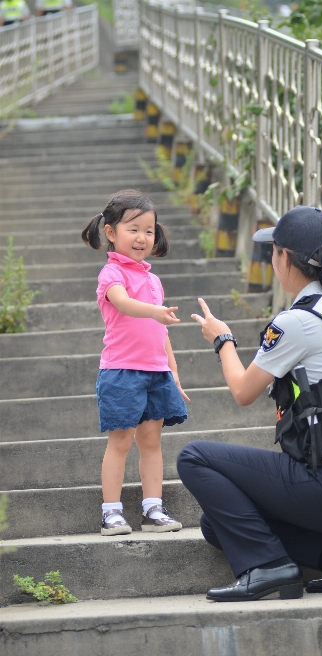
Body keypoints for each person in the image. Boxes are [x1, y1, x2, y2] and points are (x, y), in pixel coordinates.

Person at [177, 205, 322, 602]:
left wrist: (222, 339)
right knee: (217, 523)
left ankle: (267, 566)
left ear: (284, 258)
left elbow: (243, 391)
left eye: (272, 251)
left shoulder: (297, 321)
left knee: (194, 458)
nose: (270, 258)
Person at [82, 189, 189, 536]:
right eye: (134, 229)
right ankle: (111, 512)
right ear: (110, 232)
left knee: (151, 441)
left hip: (156, 372)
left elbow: (161, 333)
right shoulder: (112, 275)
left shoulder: (153, 280)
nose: (143, 237)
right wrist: (156, 311)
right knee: (121, 441)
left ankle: (152, 508)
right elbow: (124, 304)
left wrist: (172, 371)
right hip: (122, 371)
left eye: (149, 229)